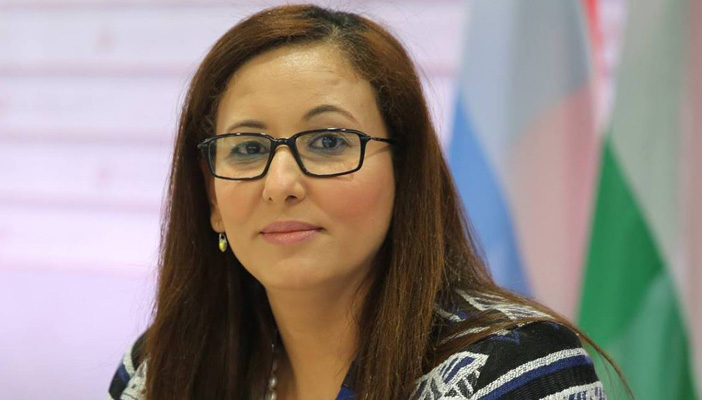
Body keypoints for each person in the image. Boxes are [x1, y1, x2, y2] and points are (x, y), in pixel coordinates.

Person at [108, 5, 620, 400]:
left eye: (328, 141)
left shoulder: (513, 373)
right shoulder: (161, 368)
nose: (280, 184)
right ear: (212, 199)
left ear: (404, 173)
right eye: (247, 149)